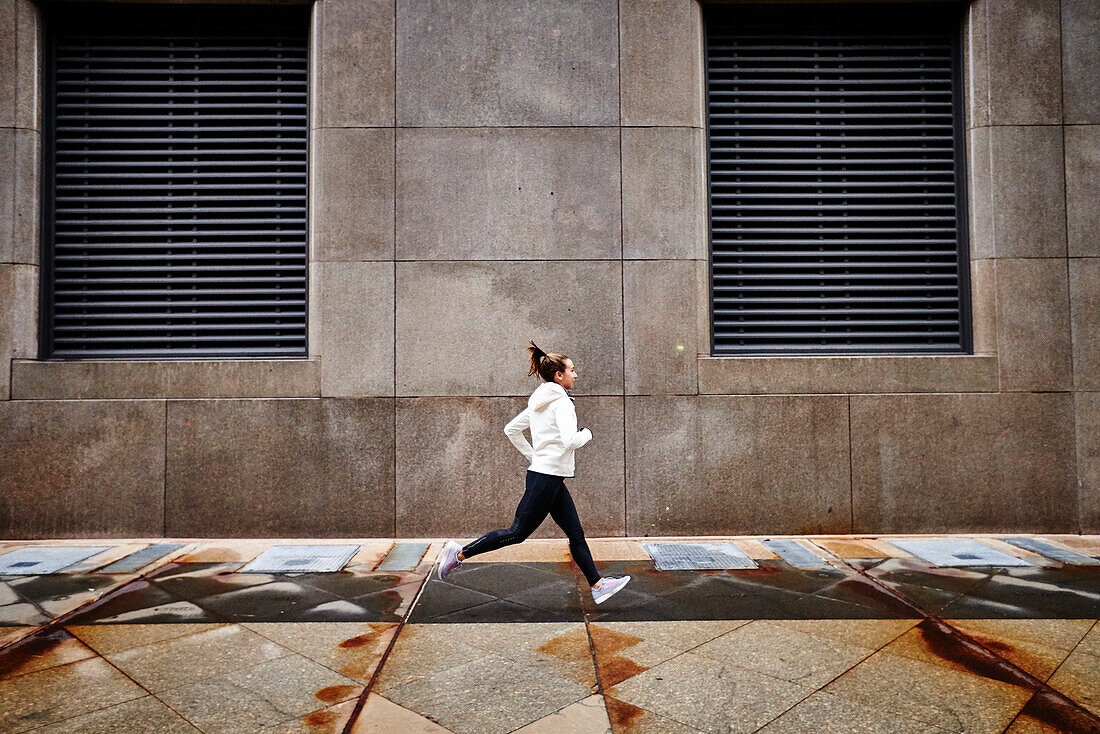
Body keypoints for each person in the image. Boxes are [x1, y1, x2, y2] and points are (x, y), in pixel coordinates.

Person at [436, 342, 631, 605]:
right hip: (545, 479)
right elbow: (570, 440)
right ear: (558, 375)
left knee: (575, 533)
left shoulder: (540, 401)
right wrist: (587, 434)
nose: (576, 375)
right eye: (572, 370)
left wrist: (533, 456)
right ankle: (459, 554)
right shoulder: (561, 403)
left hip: (547, 477)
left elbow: (511, 429)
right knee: (517, 533)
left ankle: (598, 585)